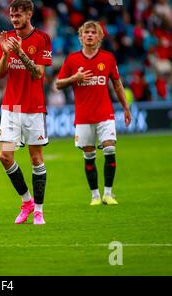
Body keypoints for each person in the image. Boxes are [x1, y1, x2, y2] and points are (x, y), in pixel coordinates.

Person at [55, 20, 132, 206]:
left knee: (110, 149)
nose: (89, 35)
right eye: (86, 32)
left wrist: (126, 107)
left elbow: (117, 84)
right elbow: (58, 84)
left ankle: (108, 193)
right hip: (83, 117)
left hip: (105, 113)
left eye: (93, 32)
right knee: (89, 156)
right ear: (81, 37)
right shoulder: (72, 60)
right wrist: (75, 78)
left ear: (99, 37)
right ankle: (95, 196)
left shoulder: (108, 58)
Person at [0, 0, 52, 225]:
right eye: (12, 15)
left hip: (34, 109)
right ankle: (26, 201)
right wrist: (7, 54)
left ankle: (39, 210)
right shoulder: (6, 38)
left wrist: (21, 53)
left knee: (36, 158)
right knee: (5, 156)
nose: (14, 19)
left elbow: (38, 74)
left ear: (29, 14)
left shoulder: (42, 39)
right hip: (10, 108)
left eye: (19, 15)